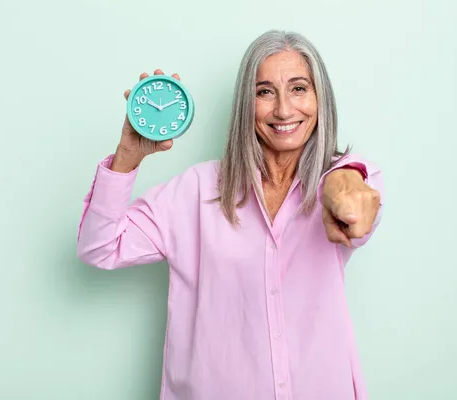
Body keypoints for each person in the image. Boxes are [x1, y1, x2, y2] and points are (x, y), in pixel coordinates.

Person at [77, 29, 384, 400]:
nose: (284, 109)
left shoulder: (345, 182)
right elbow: (99, 248)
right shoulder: (195, 191)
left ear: (321, 99)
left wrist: (343, 178)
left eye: (299, 88)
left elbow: (355, 211)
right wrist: (128, 154)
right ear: (245, 103)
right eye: (264, 91)